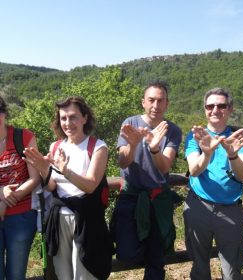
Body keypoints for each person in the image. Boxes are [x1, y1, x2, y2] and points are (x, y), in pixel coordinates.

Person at [24, 96, 112, 280]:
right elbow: (51, 187)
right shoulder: (56, 146)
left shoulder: (97, 147)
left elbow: (90, 185)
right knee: (63, 274)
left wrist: (66, 171)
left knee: (85, 273)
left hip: (87, 219)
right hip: (59, 219)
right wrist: (43, 171)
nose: (68, 123)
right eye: (63, 118)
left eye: (73, 117)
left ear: (85, 118)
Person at [112, 80, 182, 280]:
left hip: (157, 198)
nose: (155, 105)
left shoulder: (173, 130)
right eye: (151, 100)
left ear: (167, 104)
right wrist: (133, 144)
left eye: (160, 101)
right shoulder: (131, 123)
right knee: (126, 253)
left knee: (156, 261)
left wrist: (154, 147)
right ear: (143, 102)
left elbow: (164, 167)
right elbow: (123, 162)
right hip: (130, 196)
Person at [184, 87, 243, 280]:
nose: (215, 110)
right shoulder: (196, 136)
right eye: (210, 105)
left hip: (231, 209)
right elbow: (194, 170)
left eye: (221, 105)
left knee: (232, 270)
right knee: (199, 267)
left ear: (230, 108)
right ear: (205, 109)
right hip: (198, 206)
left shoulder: (238, 136)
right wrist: (207, 152)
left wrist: (232, 153)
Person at [0, 96, 40, 280]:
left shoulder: (23, 137)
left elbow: (35, 178)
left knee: (16, 274)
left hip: (21, 215)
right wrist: (2, 193)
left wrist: (9, 199)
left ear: (5, 113)